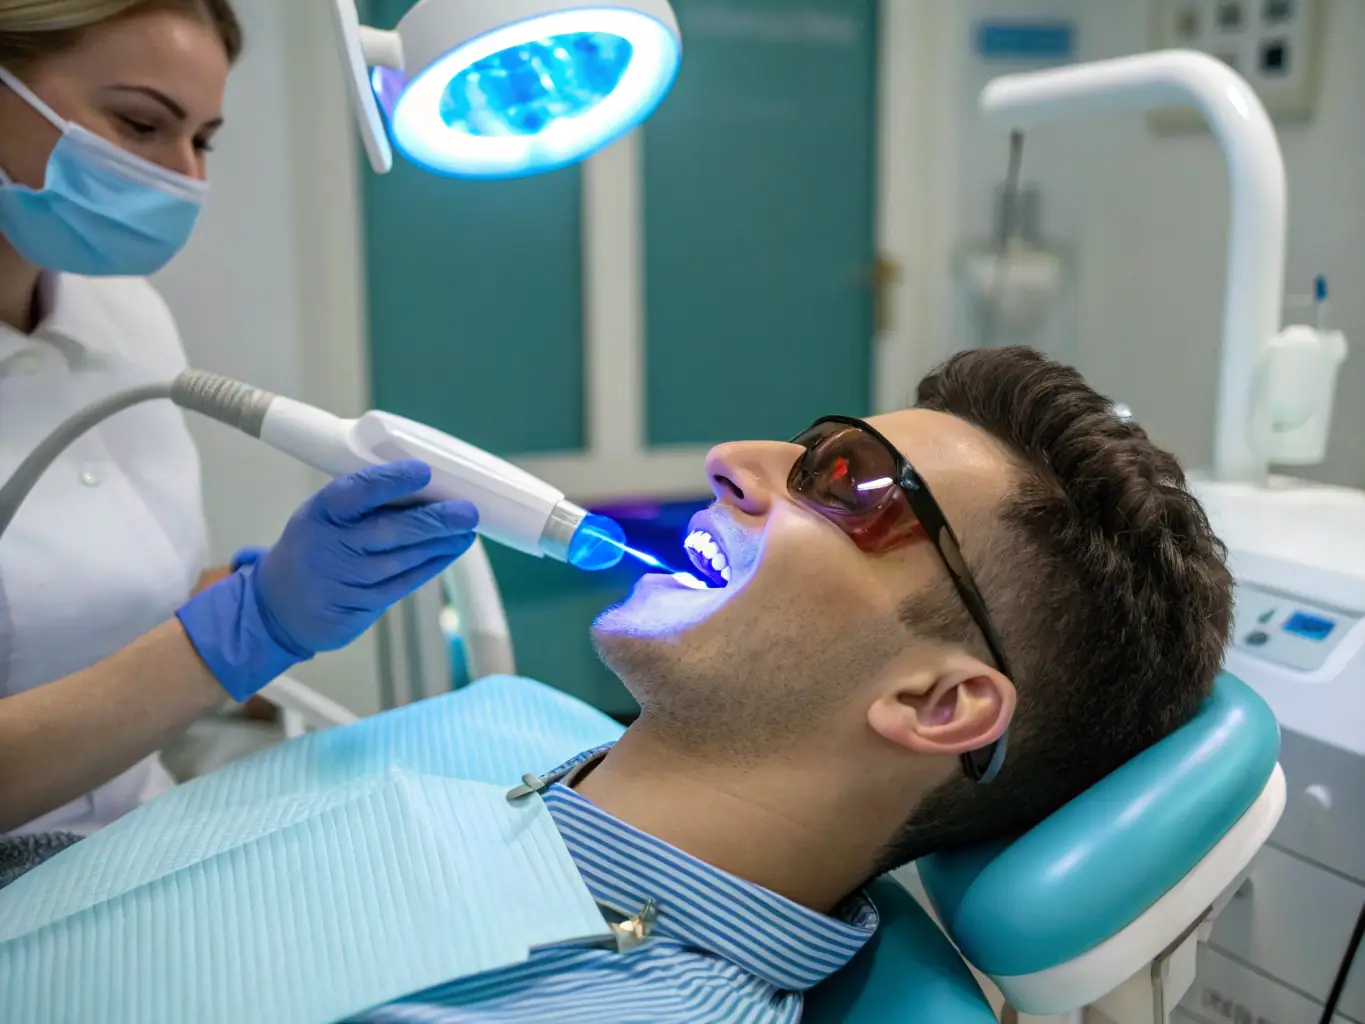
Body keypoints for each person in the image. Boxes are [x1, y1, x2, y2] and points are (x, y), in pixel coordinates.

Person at [0, 348, 1235, 1023]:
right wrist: (245, 632)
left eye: (849, 481)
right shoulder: (515, 727)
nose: (732, 461)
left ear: (937, 705)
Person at [0, 0, 482, 836]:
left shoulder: (125, 318)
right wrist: (247, 627)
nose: (185, 175)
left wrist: (277, 589)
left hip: (129, 837)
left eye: (204, 139)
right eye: (142, 122)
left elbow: (78, 597)